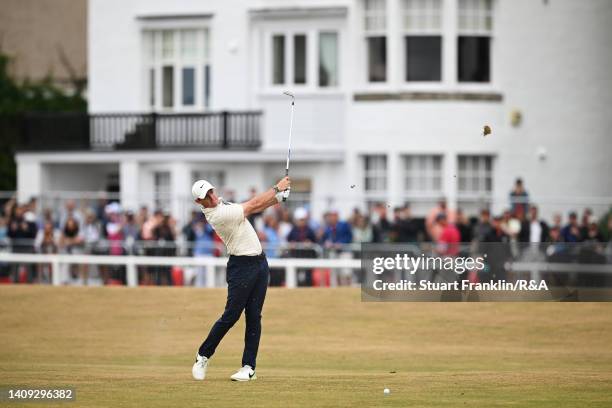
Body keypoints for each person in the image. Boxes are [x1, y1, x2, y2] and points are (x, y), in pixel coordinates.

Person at [191, 175, 291, 382]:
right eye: (206, 196)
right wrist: (276, 189)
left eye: (211, 191)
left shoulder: (222, 205)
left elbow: (254, 208)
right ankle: (203, 355)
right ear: (199, 202)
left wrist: (278, 199)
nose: (211, 196)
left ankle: (248, 367)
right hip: (241, 267)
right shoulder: (217, 214)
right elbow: (253, 204)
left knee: (254, 316)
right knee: (231, 315)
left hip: (260, 263)